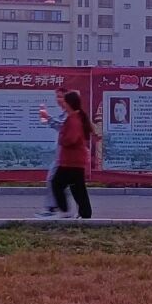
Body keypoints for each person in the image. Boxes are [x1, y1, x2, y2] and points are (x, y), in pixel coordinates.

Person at [49, 90, 95, 220]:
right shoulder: (76, 117)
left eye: (64, 100)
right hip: (75, 160)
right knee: (77, 187)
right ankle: (85, 214)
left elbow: (71, 139)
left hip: (71, 160)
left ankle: (64, 211)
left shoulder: (74, 120)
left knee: (57, 183)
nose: (62, 103)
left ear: (69, 103)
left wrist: (62, 139)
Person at [35, 89, 68, 216]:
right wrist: (48, 119)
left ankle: (57, 209)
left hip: (67, 154)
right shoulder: (64, 114)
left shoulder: (71, 114)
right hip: (62, 153)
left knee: (54, 179)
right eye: (57, 97)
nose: (58, 100)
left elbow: (63, 126)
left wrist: (48, 118)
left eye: (61, 97)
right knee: (57, 181)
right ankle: (56, 208)